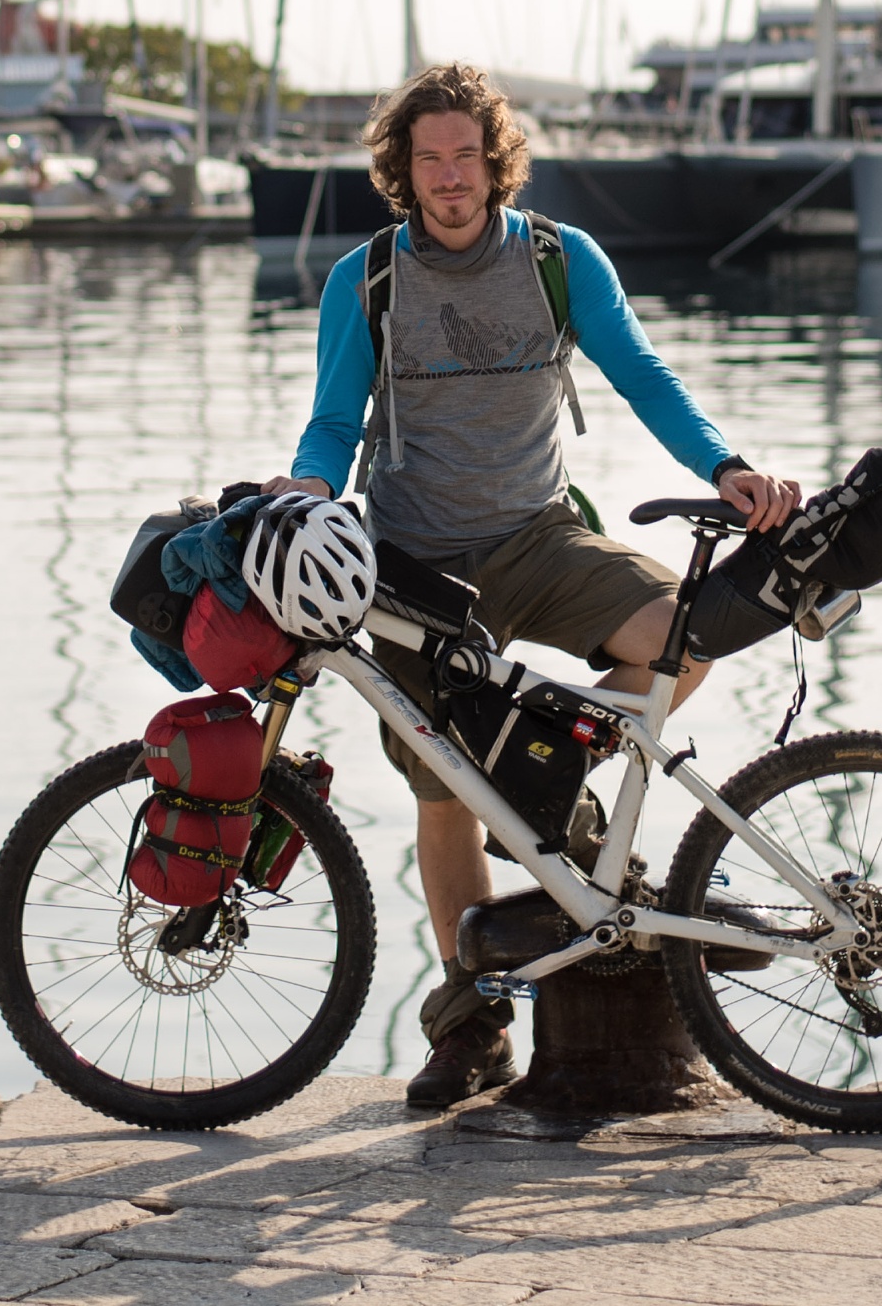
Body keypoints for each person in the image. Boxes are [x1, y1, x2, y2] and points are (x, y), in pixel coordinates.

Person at [266, 58, 800, 1110]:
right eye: (430, 159)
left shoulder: (560, 259)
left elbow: (643, 373)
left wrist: (723, 467)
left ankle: (558, 780)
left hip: (540, 536)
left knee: (684, 634)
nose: (451, 176)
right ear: (403, 170)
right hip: (412, 565)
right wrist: (309, 485)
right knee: (443, 790)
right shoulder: (365, 277)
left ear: (495, 162)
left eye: (467, 155)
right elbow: (335, 417)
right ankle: (472, 1027)